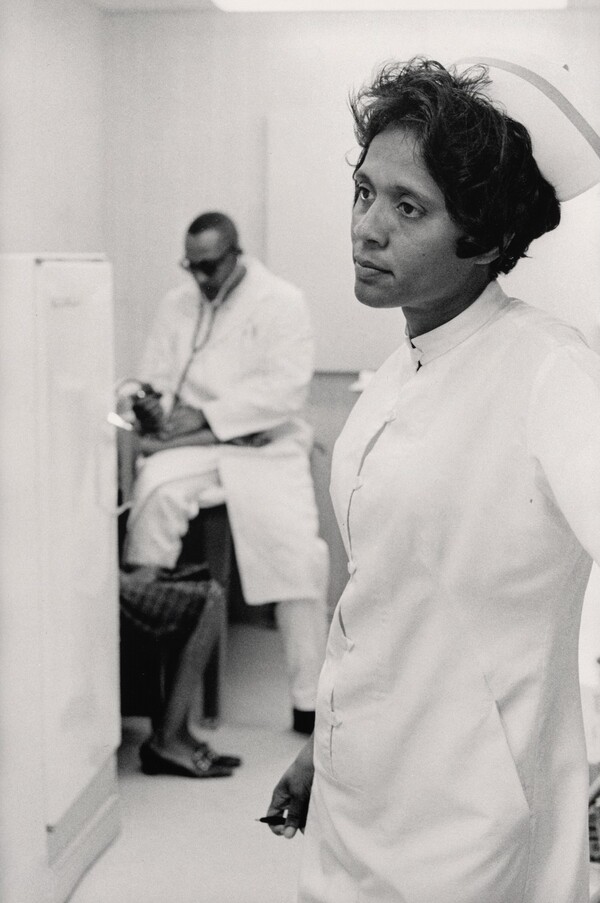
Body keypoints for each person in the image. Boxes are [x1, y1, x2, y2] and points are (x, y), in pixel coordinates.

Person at [266, 55, 600, 902]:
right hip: (358, 791)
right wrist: (320, 750)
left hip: (472, 823)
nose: (366, 227)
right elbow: (381, 593)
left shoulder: (548, 372)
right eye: (365, 191)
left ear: (485, 238)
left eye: (407, 206)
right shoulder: (394, 375)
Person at [123, 211, 330, 752]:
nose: (200, 278)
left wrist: (212, 419)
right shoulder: (177, 304)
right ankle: (158, 688)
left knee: (298, 557)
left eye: (210, 267)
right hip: (195, 446)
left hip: (265, 445)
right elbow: (155, 377)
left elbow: (284, 391)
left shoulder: (282, 301)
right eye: (192, 267)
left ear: (237, 254)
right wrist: (151, 406)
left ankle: (308, 699)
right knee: (154, 495)